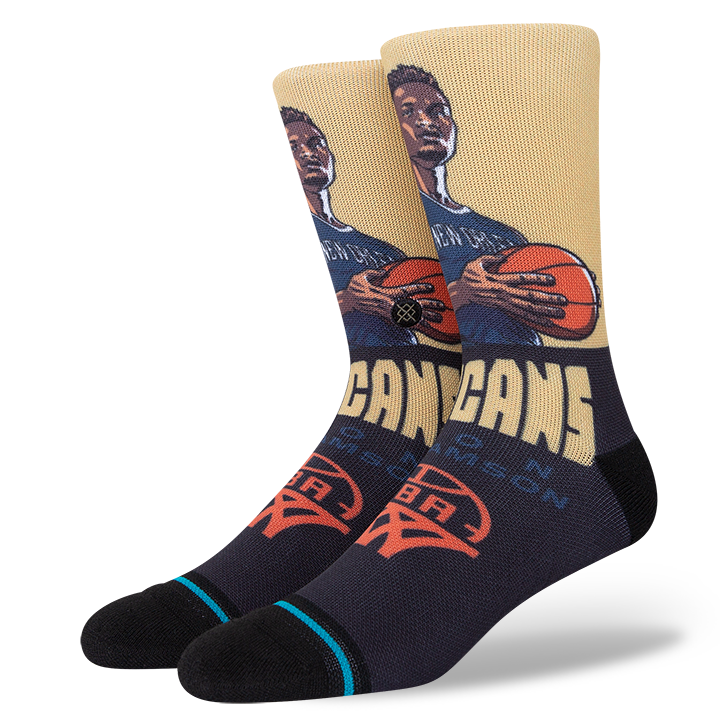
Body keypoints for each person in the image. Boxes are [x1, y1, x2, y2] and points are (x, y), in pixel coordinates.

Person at [387, 65, 571, 346]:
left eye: (438, 111)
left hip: (530, 359)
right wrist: (462, 292)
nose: (425, 121)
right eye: (409, 112)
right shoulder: (401, 225)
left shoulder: (505, 236)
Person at [282, 106, 446, 347]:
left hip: (412, 358)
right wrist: (349, 300)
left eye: (316, 144)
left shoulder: (387, 251)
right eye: (294, 147)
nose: (307, 153)